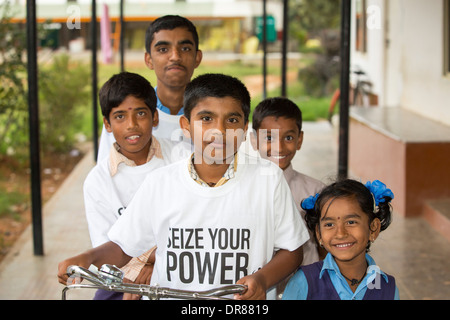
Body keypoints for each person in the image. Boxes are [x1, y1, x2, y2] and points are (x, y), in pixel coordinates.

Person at [58, 73, 310, 300]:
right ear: (186, 127)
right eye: (206, 118)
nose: (219, 131)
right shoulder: (160, 183)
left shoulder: (268, 179)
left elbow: (292, 249)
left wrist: (262, 280)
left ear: (244, 130)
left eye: (231, 120)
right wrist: (88, 258)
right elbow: (124, 246)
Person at [84, 72, 181, 300]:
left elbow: (196, 225)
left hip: (177, 269)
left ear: (155, 118)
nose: (132, 125)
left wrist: (153, 263)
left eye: (140, 113)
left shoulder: (182, 159)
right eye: (119, 116)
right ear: (107, 124)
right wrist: (136, 275)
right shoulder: (98, 181)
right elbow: (107, 248)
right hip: (122, 276)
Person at [97, 15, 202, 161]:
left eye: (185, 48)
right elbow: (108, 172)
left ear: (197, 57)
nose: (175, 56)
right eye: (163, 49)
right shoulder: (125, 115)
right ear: (149, 60)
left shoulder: (213, 114)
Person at [251, 97, 326, 299]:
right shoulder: (243, 188)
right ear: (253, 139)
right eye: (269, 138)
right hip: (257, 290)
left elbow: (325, 246)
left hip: (306, 289)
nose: (280, 147)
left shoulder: (315, 191)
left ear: (299, 140)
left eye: (288, 138)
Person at [282, 179, 399, 300]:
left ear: (373, 229)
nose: (340, 234)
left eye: (351, 222)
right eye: (329, 225)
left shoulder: (388, 288)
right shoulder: (304, 282)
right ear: (319, 233)